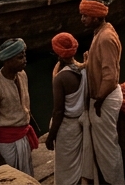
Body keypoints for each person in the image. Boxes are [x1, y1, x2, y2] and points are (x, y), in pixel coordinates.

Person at [81, 0, 125, 184]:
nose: (82, 19)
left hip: (104, 98)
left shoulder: (105, 38)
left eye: (86, 16)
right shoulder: (101, 32)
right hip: (103, 97)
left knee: (108, 149)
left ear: (97, 18)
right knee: (103, 148)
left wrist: (98, 100)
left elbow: (110, 77)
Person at [0, 38, 37, 176]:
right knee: (11, 178)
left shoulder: (22, 75)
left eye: (24, 55)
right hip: (7, 144)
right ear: (7, 61)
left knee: (26, 176)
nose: (24, 59)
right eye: (20, 57)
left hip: (22, 136)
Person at [46, 33, 87, 185]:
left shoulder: (61, 78)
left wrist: (51, 137)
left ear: (58, 54)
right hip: (79, 125)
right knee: (78, 164)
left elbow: (58, 112)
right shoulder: (83, 70)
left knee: (64, 168)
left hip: (67, 128)